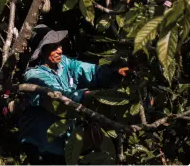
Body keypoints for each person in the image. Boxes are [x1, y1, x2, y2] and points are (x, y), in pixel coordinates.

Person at [19, 24, 129, 166]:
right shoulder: (34, 76)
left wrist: (114, 72)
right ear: (41, 51)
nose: (60, 50)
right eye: (53, 47)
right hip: (42, 145)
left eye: (59, 45)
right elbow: (58, 97)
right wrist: (87, 95)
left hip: (63, 142)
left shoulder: (64, 63)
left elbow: (90, 71)